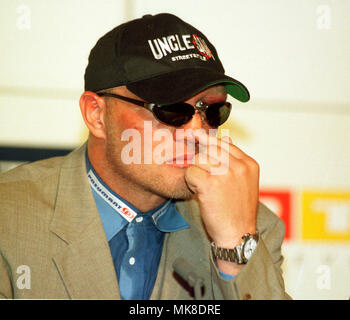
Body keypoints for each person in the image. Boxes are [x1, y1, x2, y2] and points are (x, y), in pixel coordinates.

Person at [0, 13, 290, 299]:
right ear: (96, 115)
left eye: (212, 110)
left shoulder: (251, 228)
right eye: (171, 109)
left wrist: (234, 250)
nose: (197, 131)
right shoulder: (10, 216)